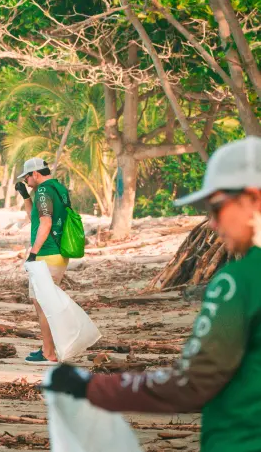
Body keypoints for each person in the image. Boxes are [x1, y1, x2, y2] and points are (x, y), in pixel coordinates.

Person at [46, 137, 261, 452]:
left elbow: (192, 383)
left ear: (254, 198)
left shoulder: (239, 282)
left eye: (216, 207)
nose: (213, 223)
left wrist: (90, 387)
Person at [14, 157, 71, 365]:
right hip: (58, 253)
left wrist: (33, 253)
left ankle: (49, 352)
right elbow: (35, 219)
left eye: (27, 177)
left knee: (43, 305)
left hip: (47, 253)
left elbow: (45, 224)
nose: (27, 181)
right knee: (45, 303)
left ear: (36, 173)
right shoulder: (58, 188)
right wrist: (25, 196)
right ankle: (48, 348)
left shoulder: (44, 191)